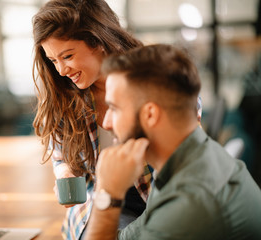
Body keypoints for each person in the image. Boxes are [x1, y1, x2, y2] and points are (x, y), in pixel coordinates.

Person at [85, 44, 261, 240]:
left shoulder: (190, 205)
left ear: (150, 114)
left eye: (114, 108)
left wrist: (107, 192)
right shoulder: (183, 158)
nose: (106, 122)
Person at [31, 1, 154, 239]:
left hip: (155, 201)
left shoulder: (157, 84)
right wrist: (65, 171)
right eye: (53, 60)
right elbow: (60, 153)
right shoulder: (64, 93)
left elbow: (173, 184)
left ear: (98, 41)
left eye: (67, 56)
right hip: (99, 204)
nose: (61, 70)